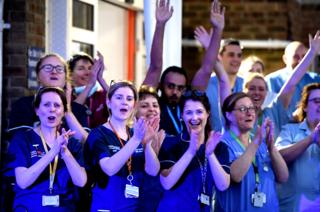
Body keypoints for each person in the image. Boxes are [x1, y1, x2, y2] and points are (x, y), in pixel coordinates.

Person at [143, 0, 224, 136]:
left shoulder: (189, 104)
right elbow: (155, 67)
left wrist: (218, 30)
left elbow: (207, 69)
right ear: (161, 85)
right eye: (171, 86)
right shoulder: (153, 105)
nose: (175, 92)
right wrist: (160, 24)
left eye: (180, 88)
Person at [7, 87, 87, 211]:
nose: (52, 109)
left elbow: (81, 181)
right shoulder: (22, 139)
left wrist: (65, 152)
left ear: (63, 111)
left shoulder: (71, 143)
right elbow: (23, 181)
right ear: (37, 110)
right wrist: (53, 151)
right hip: (30, 207)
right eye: (46, 105)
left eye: (57, 105)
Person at [85, 81, 160, 211]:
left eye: (129, 99)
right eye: (119, 97)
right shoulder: (98, 134)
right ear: (108, 103)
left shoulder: (134, 133)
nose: (124, 102)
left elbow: (153, 171)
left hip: (134, 207)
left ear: (134, 105)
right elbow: (109, 168)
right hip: (106, 207)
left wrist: (147, 144)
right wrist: (136, 140)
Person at [157, 89, 230, 211]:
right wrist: (190, 152)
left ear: (208, 113)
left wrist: (210, 154)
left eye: (199, 112)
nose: (194, 117)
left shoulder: (219, 146)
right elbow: (167, 182)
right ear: (182, 116)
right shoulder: (170, 143)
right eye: (189, 112)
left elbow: (223, 185)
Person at [215, 92, 288, 211]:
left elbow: (283, 177)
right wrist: (255, 143)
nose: (249, 113)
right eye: (243, 109)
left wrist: (271, 147)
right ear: (228, 115)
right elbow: (235, 176)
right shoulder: (221, 144)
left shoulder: (260, 142)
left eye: (252, 108)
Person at [8, 53, 88, 142]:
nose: (54, 72)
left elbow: (87, 144)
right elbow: (19, 142)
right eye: (48, 68)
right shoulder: (23, 105)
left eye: (59, 69)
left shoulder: (78, 109)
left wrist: (67, 112)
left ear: (66, 78)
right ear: (38, 76)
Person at [275, 82, 320, 211]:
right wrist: (311, 139)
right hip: (292, 207)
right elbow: (279, 157)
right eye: (316, 101)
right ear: (305, 106)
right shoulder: (290, 130)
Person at [195, 29, 244, 131]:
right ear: (220, 56)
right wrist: (210, 49)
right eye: (231, 55)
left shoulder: (245, 83)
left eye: (239, 55)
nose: (236, 59)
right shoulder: (207, 83)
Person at [265, 39, 320, 118]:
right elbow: (270, 111)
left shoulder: (315, 79)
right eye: (296, 56)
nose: (301, 61)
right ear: (285, 59)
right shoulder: (271, 81)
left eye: (304, 57)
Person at [135, 85, 166, 212]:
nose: (151, 109)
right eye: (144, 106)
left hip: (162, 204)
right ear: (134, 110)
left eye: (155, 105)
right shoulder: (128, 138)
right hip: (134, 204)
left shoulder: (169, 139)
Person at [68, 51, 109, 128]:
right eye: (81, 69)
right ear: (70, 74)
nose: (88, 73)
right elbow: (73, 113)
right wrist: (89, 86)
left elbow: (118, 103)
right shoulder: (66, 95)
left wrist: (100, 78)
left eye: (90, 68)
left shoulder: (99, 95)